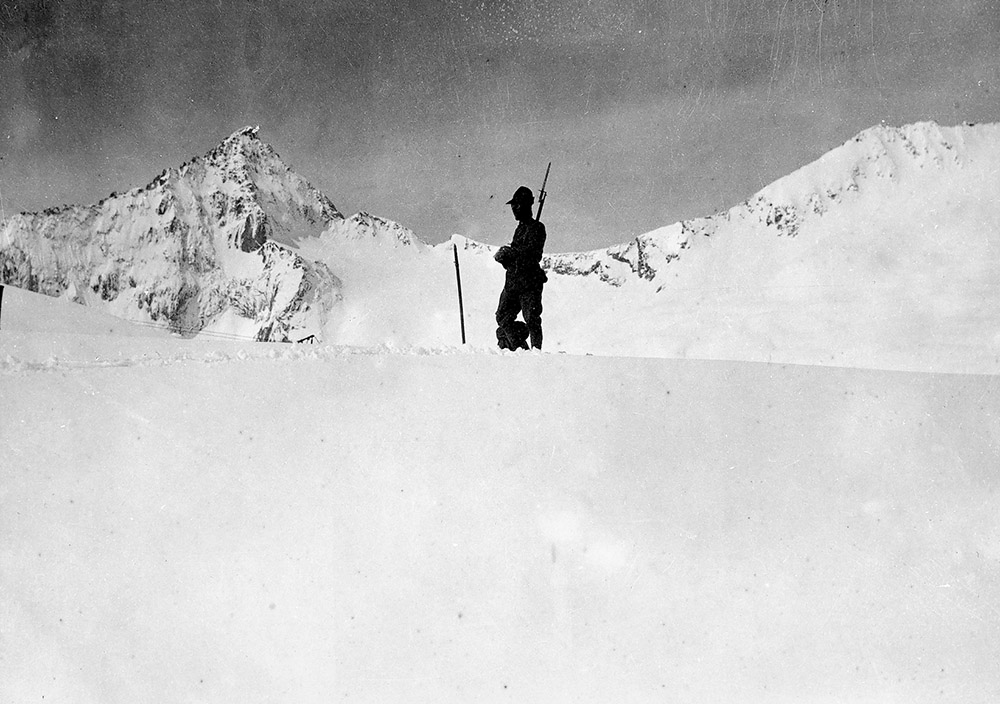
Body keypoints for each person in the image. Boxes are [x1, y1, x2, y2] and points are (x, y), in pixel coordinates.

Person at [494, 185, 547, 350]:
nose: (514, 209)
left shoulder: (537, 228)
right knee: (502, 316)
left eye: (517, 205)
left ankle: (536, 352)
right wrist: (504, 259)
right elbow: (516, 259)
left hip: (529, 282)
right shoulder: (520, 229)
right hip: (513, 282)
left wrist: (511, 252)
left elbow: (532, 255)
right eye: (512, 206)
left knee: (531, 318)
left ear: (527, 205)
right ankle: (520, 347)